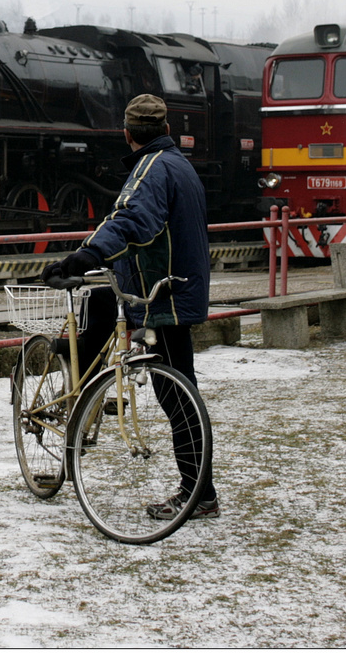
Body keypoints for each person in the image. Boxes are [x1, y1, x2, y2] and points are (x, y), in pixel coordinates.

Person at [42, 93, 219, 521]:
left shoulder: (152, 169)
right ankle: (75, 357)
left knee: (177, 397)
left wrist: (84, 257)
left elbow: (131, 219)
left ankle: (199, 494)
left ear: (126, 133)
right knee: (103, 302)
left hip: (164, 295)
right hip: (169, 286)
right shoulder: (178, 164)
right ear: (167, 130)